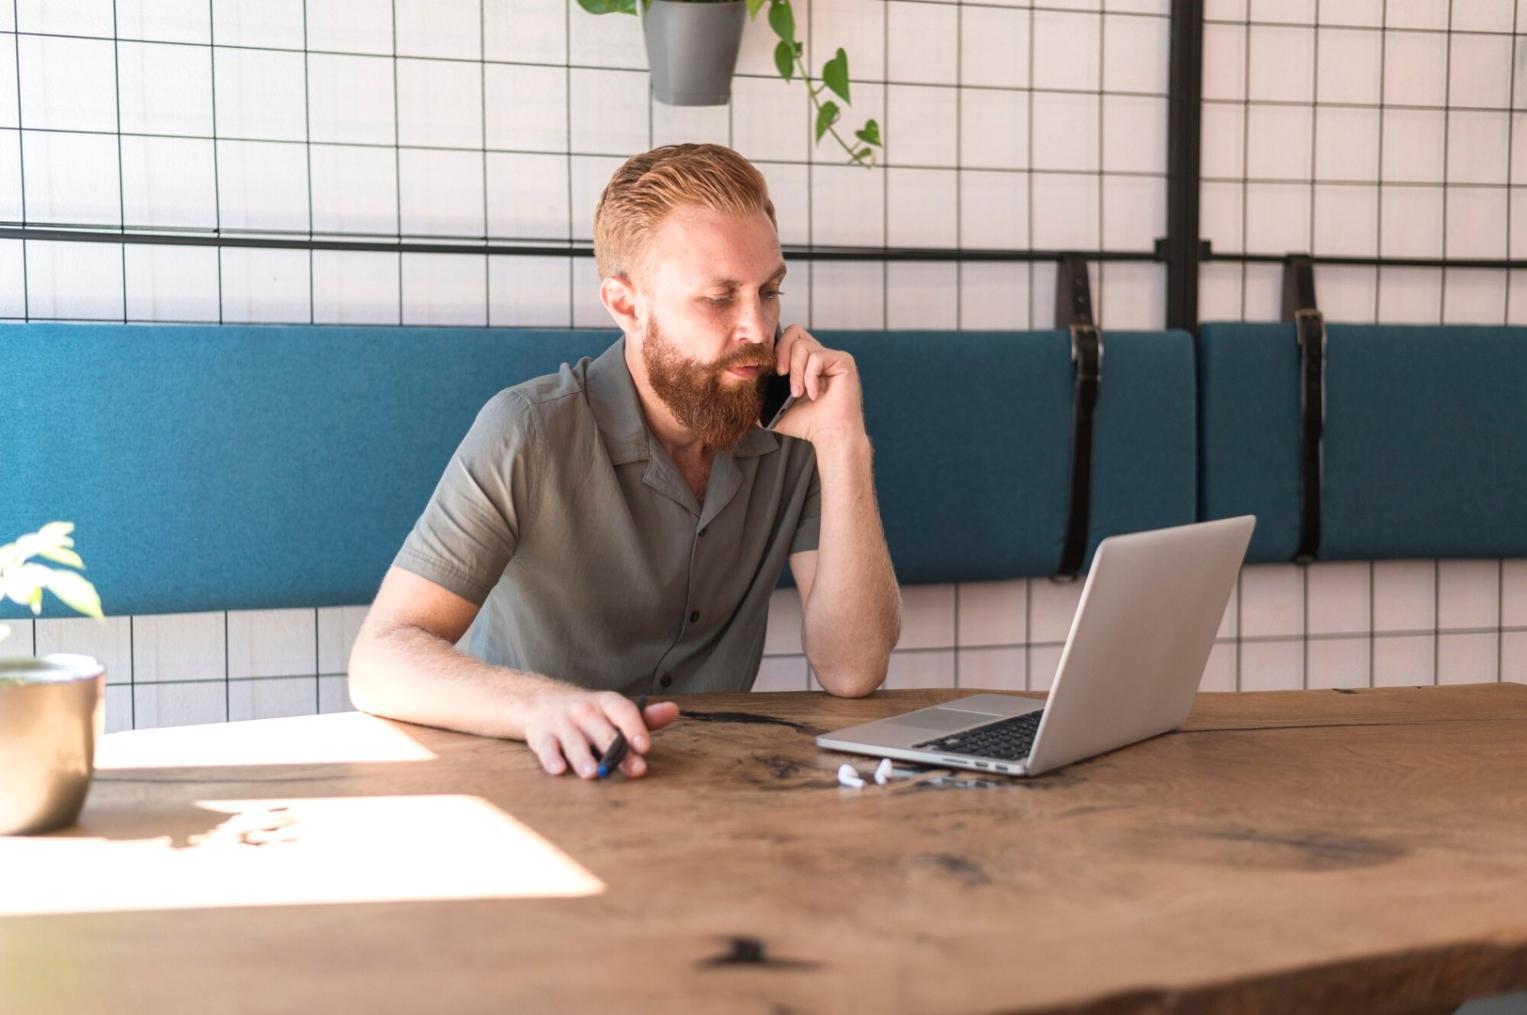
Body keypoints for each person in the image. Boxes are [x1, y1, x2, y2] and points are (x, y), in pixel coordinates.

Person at [348, 143, 901, 779]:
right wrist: (543, 706)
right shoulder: (527, 430)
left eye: (769, 291)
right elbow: (383, 656)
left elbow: (853, 670)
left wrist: (845, 445)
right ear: (626, 305)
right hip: (534, 774)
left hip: (718, 786)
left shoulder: (796, 431)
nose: (758, 327)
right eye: (719, 298)